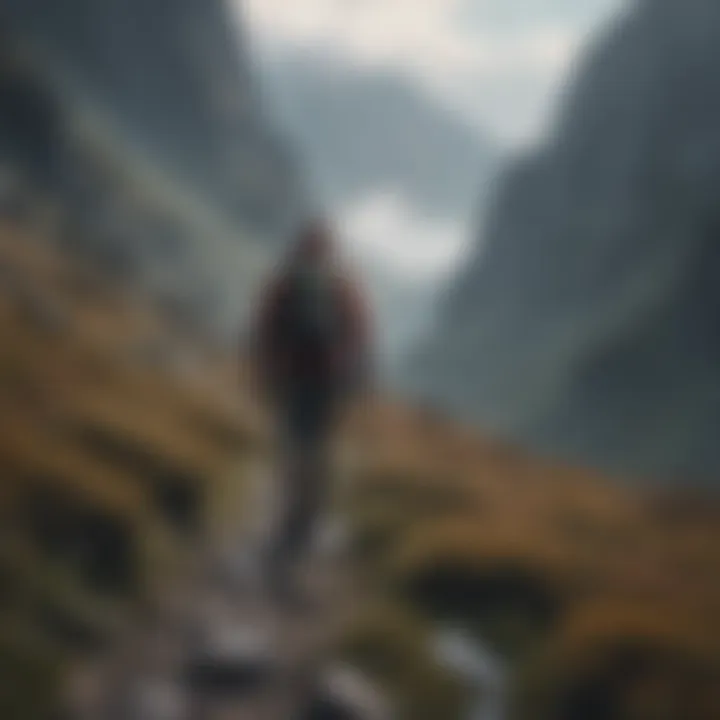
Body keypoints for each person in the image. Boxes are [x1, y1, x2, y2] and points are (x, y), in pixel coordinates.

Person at [250, 218, 373, 607]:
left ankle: (291, 516)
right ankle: (306, 517)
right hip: (325, 380)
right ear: (328, 247)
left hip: (293, 377)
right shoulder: (341, 283)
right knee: (317, 447)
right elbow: (358, 330)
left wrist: (266, 371)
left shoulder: (286, 280)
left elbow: (264, 327)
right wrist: (353, 376)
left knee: (293, 444)